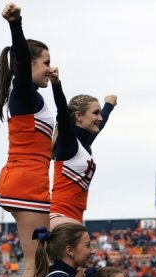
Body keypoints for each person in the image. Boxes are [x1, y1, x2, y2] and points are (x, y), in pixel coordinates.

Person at [0, 3, 57, 277]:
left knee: (49, 256)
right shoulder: (24, 93)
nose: (51, 68)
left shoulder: (35, 99)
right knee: (36, 264)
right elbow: (19, 58)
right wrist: (16, 25)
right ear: (28, 65)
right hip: (24, 185)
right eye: (45, 62)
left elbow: (51, 147)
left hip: (27, 181)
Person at [49, 71, 117, 229]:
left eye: (100, 113)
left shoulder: (83, 144)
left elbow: (103, 121)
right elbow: (62, 113)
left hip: (74, 218)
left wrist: (109, 105)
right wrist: (56, 83)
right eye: (95, 113)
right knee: (84, 249)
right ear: (78, 117)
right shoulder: (68, 143)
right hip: (61, 216)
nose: (99, 118)